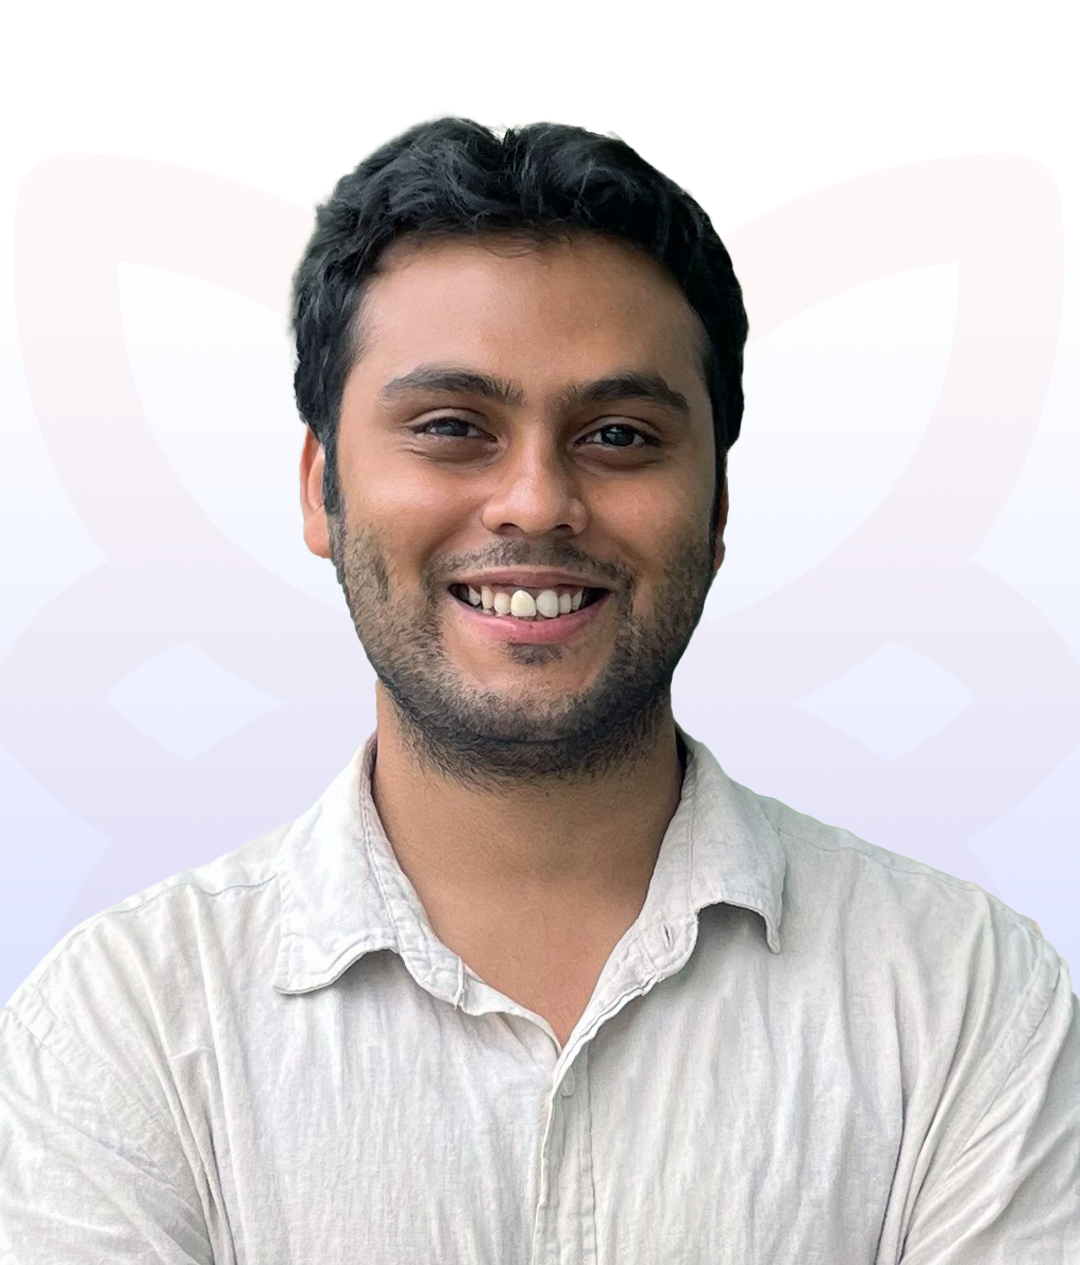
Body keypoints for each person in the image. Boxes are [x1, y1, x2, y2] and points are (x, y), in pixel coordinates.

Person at [1, 118, 1077, 1265]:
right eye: (451, 427)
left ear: (717, 508)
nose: (535, 501)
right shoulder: (123, 1019)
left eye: (618, 434)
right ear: (322, 490)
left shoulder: (963, 994)